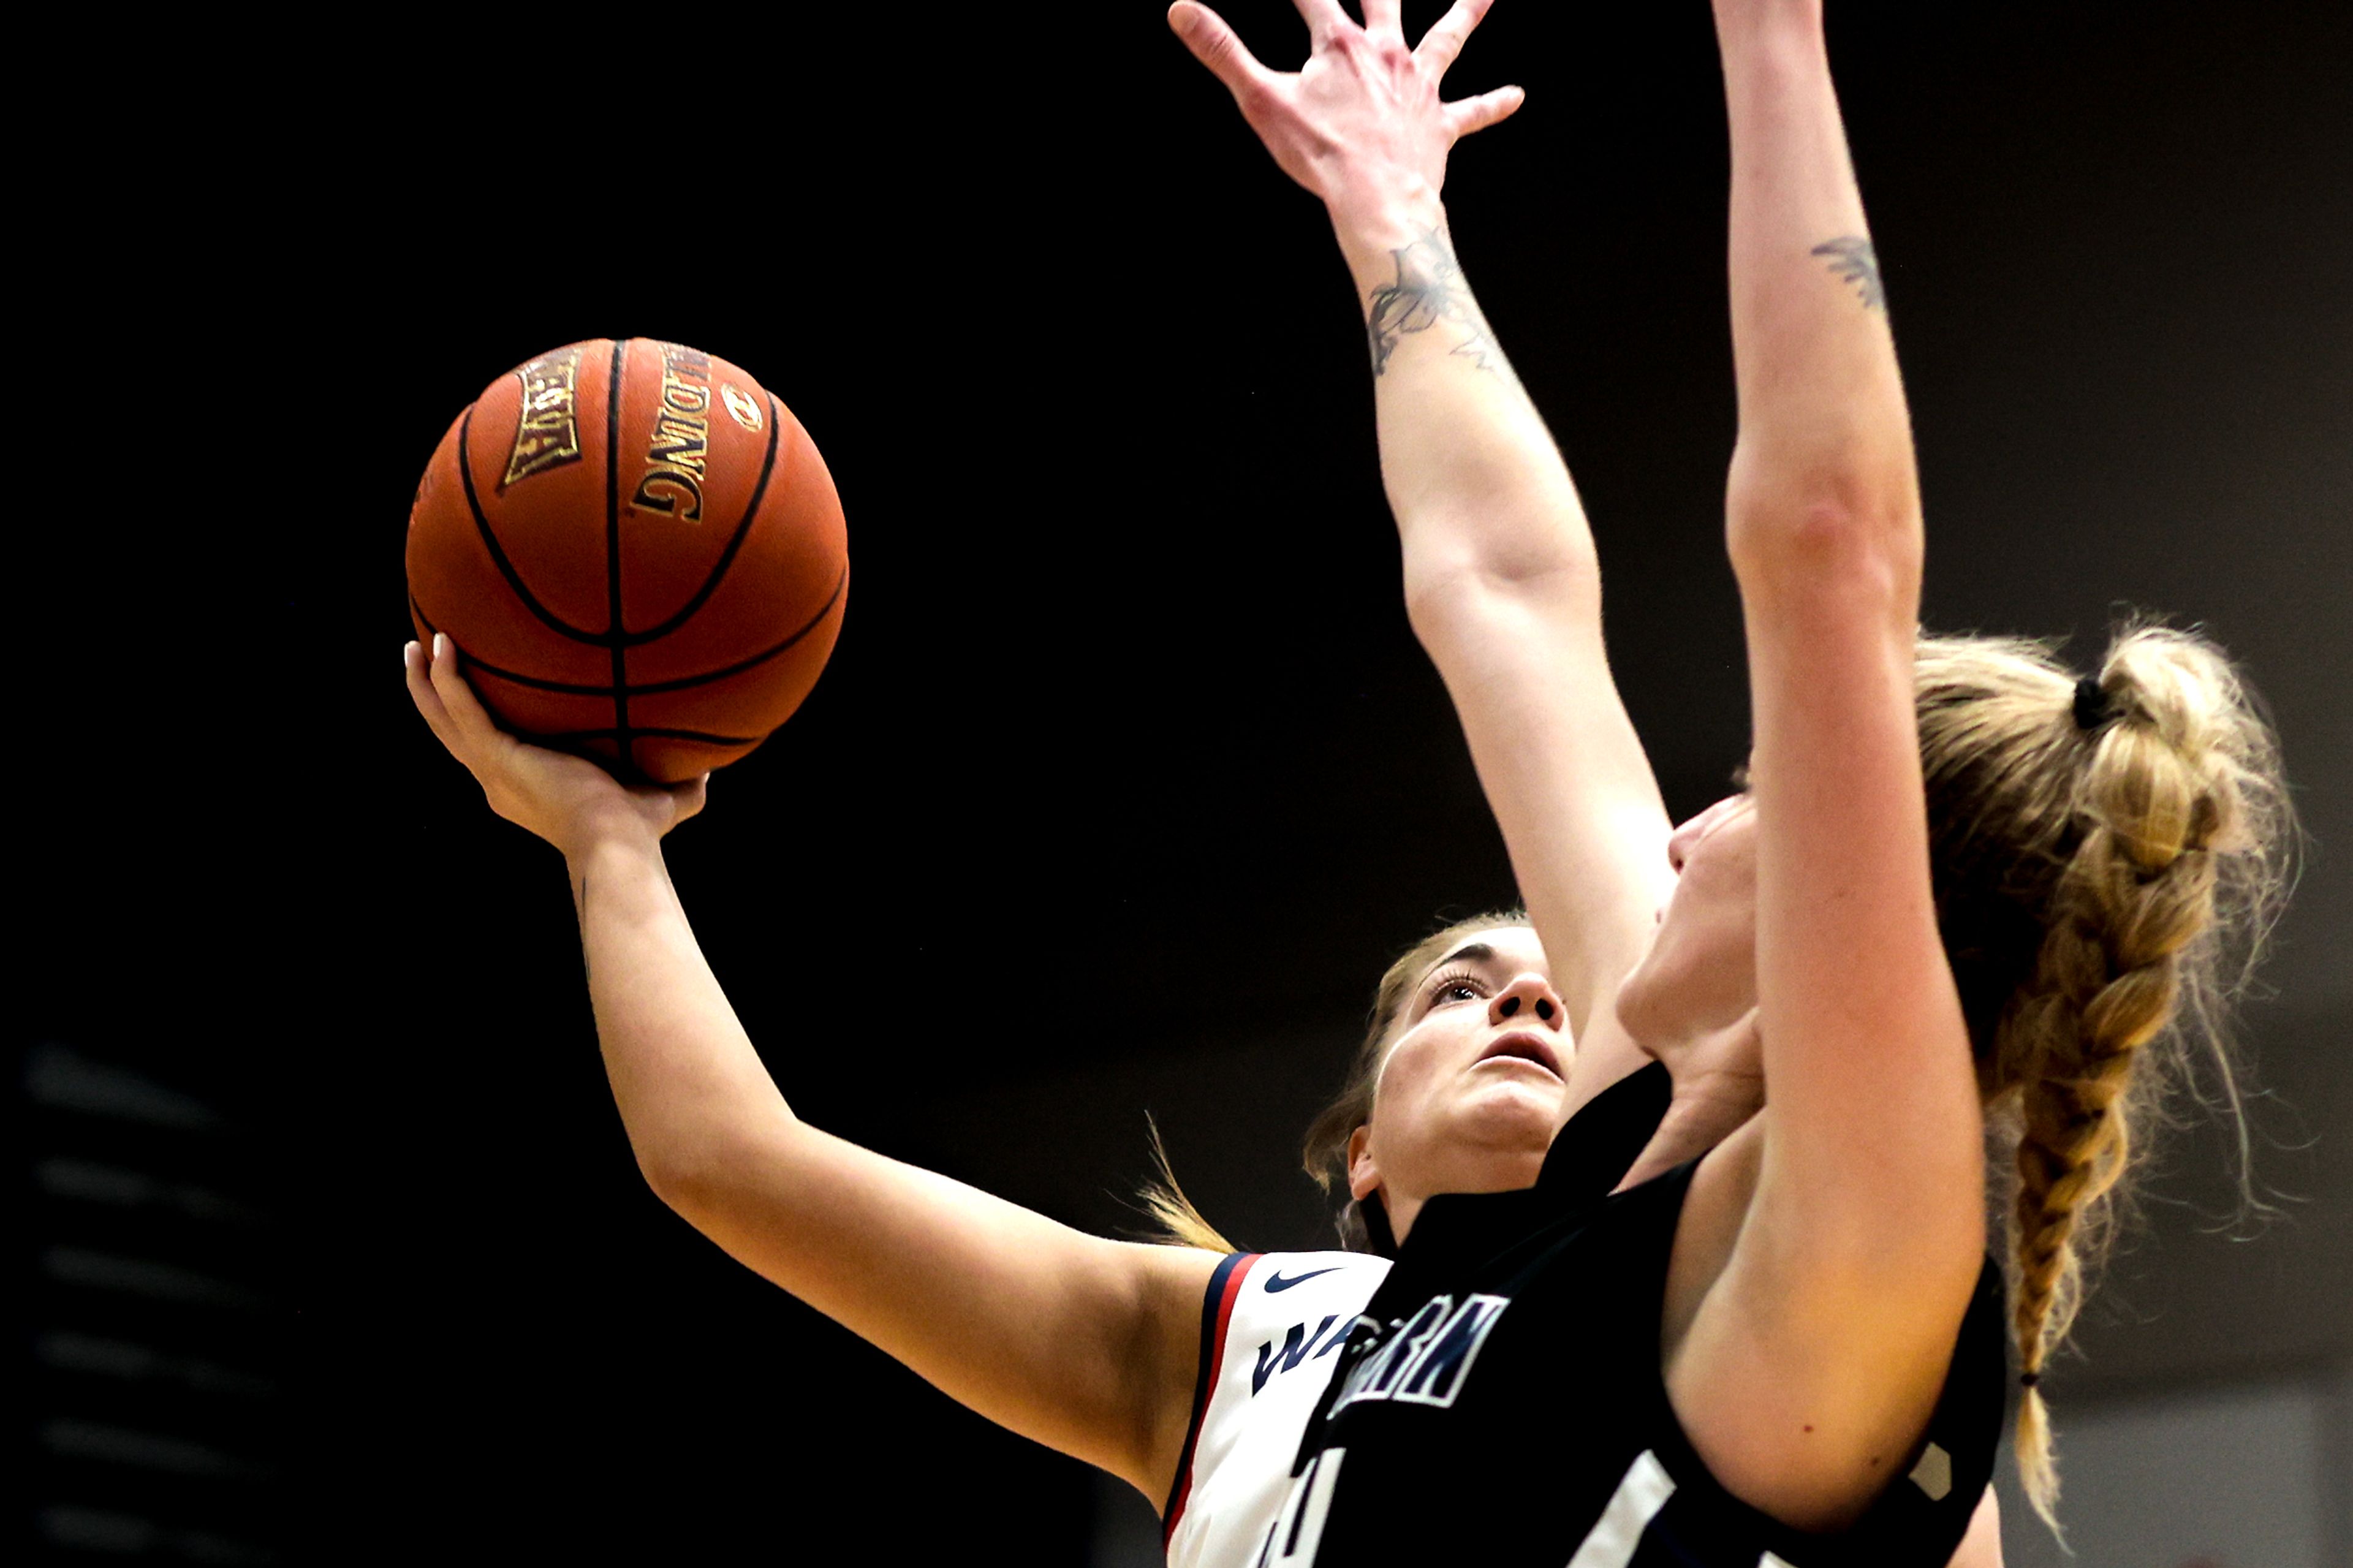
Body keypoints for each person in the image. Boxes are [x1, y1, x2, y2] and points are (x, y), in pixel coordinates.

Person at [1171, 2, 2294, 1565]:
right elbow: (1501, 590)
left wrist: (1775, 35)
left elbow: (1830, 539)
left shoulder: (1855, 1217)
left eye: (1765, 790)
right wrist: (1390, 218)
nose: (1687, 826)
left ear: (1863, 893)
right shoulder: (1646, 1088)